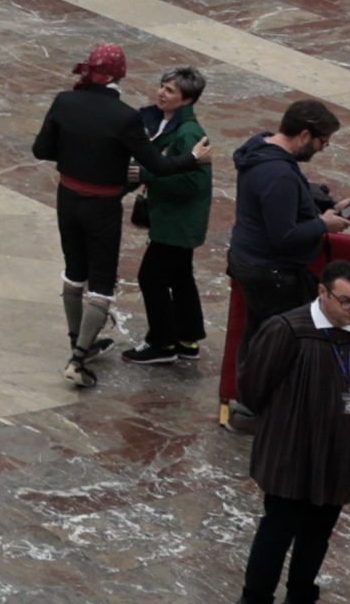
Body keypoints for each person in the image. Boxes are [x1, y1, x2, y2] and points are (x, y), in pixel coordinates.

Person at [230, 256, 350, 604]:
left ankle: (300, 600)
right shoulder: (288, 330)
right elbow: (253, 387)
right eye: (346, 302)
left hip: (339, 452)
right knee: (279, 527)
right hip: (291, 447)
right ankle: (255, 600)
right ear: (322, 292)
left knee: (319, 531)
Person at [37, 42, 148, 389]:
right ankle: (78, 359)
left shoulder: (65, 101)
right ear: (120, 75)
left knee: (74, 273)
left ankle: (77, 342)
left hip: (67, 197)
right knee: (101, 283)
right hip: (102, 207)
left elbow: (41, 149)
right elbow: (155, 164)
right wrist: (191, 160)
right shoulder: (127, 116)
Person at [220, 96, 342, 385]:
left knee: (258, 331)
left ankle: (247, 393)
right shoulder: (279, 175)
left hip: (250, 259)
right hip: (272, 271)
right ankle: (261, 398)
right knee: (277, 340)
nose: (323, 148)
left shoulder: (260, 147)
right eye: (322, 141)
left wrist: (323, 211)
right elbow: (283, 235)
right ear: (304, 135)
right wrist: (323, 225)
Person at [129, 64, 219, 366]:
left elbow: (194, 182)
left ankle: (162, 342)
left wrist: (147, 176)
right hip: (174, 218)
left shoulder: (189, 132)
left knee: (151, 276)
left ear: (188, 100)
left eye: (170, 90)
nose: (161, 93)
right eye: (162, 86)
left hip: (177, 223)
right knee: (180, 277)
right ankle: (187, 337)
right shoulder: (166, 124)